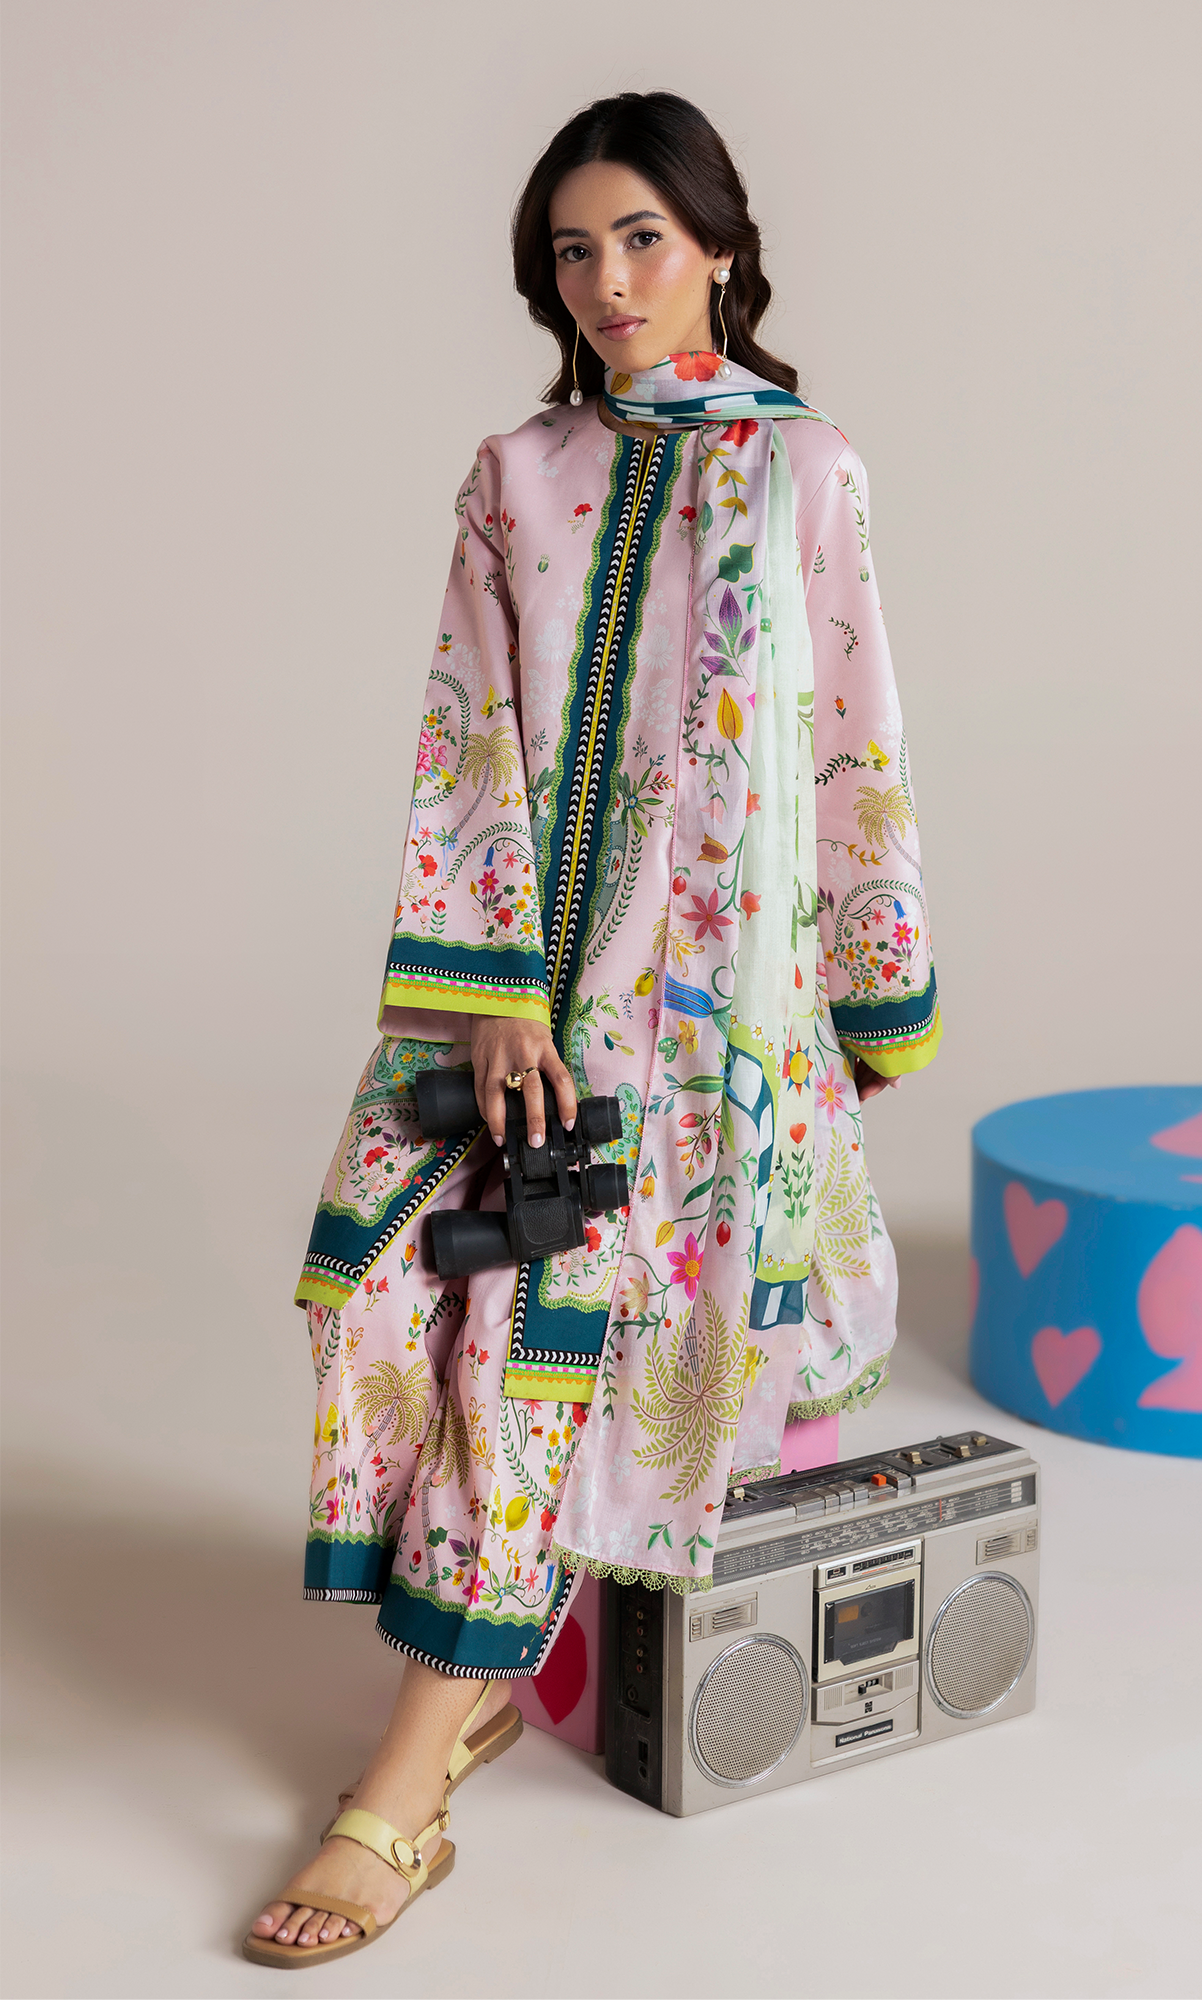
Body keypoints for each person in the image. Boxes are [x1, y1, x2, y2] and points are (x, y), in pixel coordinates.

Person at [245, 88, 940, 1968]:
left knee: (534, 1341)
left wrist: (863, 987)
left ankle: (407, 1783)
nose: (609, 280)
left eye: (642, 237)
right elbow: (466, 734)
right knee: (380, 1289)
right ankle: (474, 1670)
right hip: (507, 998)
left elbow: (858, 731)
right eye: (574, 250)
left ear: (719, 245)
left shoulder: (808, 471)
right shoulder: (517, 471)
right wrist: (489, 1004)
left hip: (707, 1023)